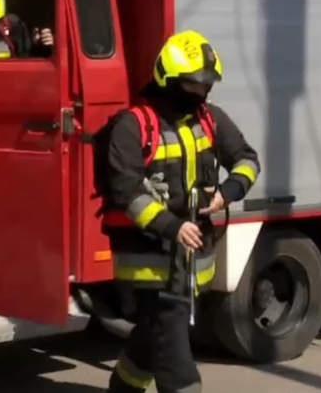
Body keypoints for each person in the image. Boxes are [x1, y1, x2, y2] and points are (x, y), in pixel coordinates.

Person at [102, 30, 261, 393]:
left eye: (207, 85)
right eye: (194, 85)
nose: (203, 93)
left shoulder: (210, 119)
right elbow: (126, 192)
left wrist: (226, 192)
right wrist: (172, 226)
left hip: (189, 262)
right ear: (168, 80)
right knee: (175, 354)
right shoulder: (132, 126)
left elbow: (247, 160)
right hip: (149, 261)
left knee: (150, 338)